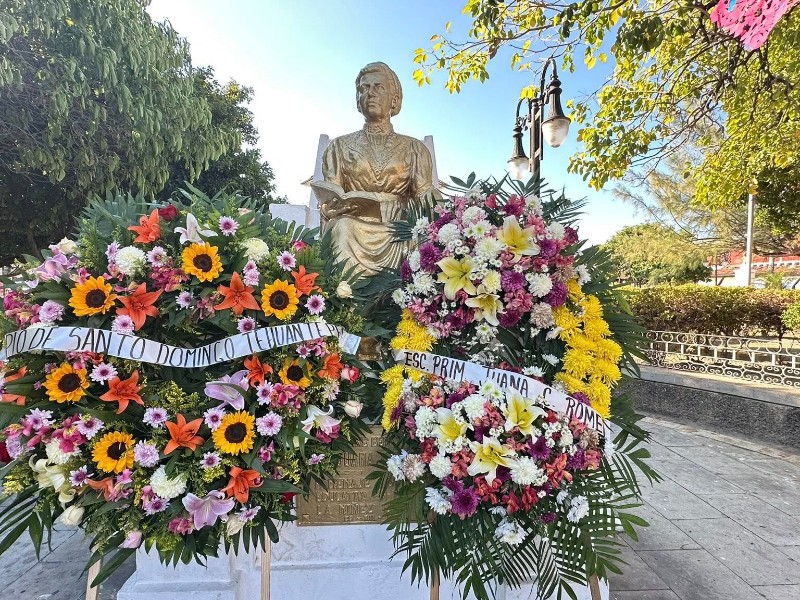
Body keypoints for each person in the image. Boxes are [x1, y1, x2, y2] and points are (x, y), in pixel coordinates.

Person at [314, 62, 436, 275]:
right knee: (342, 228)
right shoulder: (339, 147)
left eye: (378, 87)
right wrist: (333, 206)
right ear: (358, 101)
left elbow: (425, 196)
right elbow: (329, 199)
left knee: (422, 238)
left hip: (399, 227)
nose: (370, 93)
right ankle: (345, 303)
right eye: (363, 88)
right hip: (352, 225)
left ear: (394, 99)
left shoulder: (415, 148)